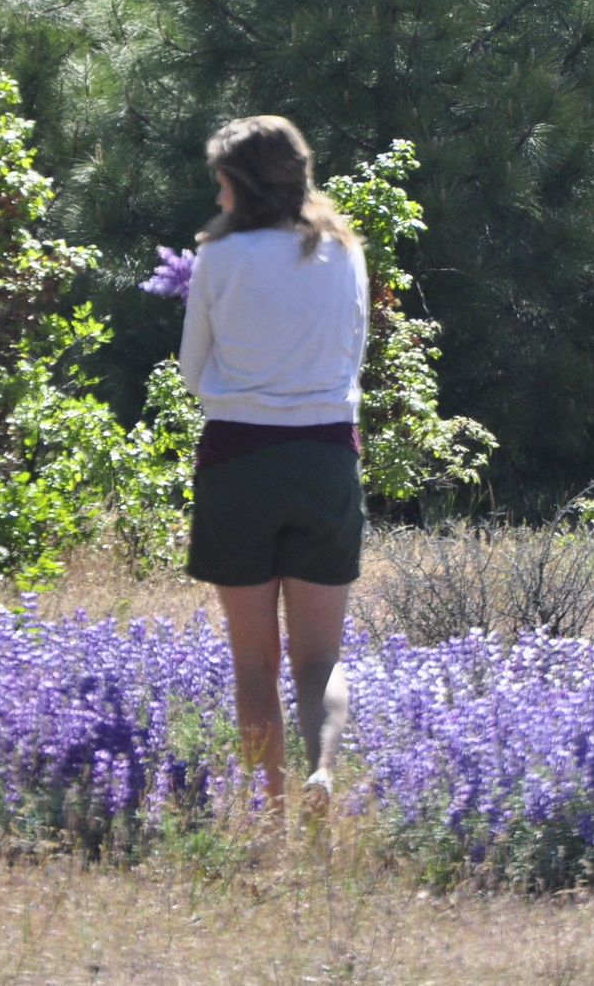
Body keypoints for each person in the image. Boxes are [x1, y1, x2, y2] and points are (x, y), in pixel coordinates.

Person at [179, 114, 368, 814]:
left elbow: (192, 371)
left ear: (239, 182)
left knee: (254, 663)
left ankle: (272, 818)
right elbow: (356, 353)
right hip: (325, 455)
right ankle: (323, 769)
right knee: (320, 659)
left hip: (239, 459)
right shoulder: (344, 250)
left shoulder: (219, 259)